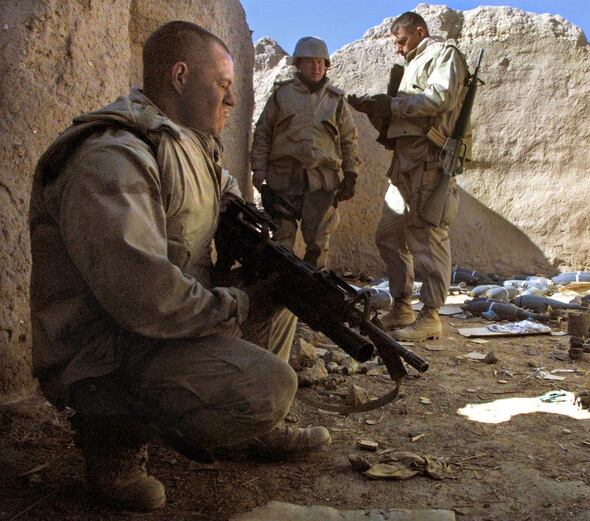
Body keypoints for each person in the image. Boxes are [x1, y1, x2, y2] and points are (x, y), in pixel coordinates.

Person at [29, 21, 330, 512]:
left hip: (162, 326)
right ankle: (115, 444)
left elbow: (225, 202)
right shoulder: (113, 155)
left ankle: (245, 435)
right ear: (180, 76)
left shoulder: (191, 145)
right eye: (223, 87)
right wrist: (237, 303)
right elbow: (142, 297)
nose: (230, 103)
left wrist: (269, 269)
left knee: (288, 293)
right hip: (107, 348)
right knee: (269, 386)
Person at [360, 12, 469, 342]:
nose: (397, 48)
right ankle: (402, 306)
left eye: (401, 40)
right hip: (404, 164)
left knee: (427, 238)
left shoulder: (444, 55)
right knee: (388, 235)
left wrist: (393, 105)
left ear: (420, 31)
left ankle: (430, 315)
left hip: (429, 164)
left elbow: (440, 98)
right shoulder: (411, 63)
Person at [251, 36, 360, 269]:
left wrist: (351, 174)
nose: (316, 67)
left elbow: (349, 141)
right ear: (298, 64)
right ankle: (278, 294)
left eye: (321, 62)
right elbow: (263, 133)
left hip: (321, 182)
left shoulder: (336, 100)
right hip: (284, 179)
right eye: (310, 62)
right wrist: (258, 170)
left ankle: (313, 293)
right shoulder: (281, 95)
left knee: (319, 242)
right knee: (281, 239)